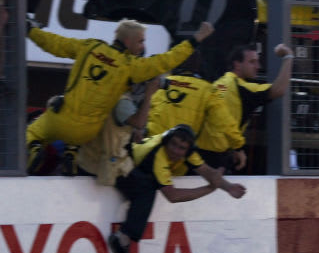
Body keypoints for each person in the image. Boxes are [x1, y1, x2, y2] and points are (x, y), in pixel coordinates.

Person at [26, 19, 214, 175]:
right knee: (79, 133)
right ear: (127, 41)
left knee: (33, 132)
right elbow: (167, 60)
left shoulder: (90, 47)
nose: (143, 46)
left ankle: (34, 149)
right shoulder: (131, 66)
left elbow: (54, 43)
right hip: (88, 133)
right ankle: (71, 152)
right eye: (140, 41)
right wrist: (196, 39)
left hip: (61, 120)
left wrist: (30, 31)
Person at [107, 124, 247, 253]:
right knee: (147, 190)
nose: (175, 151)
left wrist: (228, 187)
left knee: (148, 185)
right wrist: (209, 189)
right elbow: (172, 196)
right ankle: (122, 237)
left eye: (181, 148)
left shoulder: (188, 152)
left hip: (133, 164)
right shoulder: (158, 156)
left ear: (188, 150)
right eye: (173, 144)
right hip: (120, 165)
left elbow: (205, 170)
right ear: (167, 141)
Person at [195, 42, 295, 171]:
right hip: (216, 157)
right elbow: (279, 90)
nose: (258, 66)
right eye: (252, 62)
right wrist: (288, 57)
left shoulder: (220, 84)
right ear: (237, 64)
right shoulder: (241, 88)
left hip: (200, 152)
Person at [147, 52, 247, 168]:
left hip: (151, 150)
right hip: (178, 157)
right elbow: (224, 121)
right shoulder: (207, 90)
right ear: (199, 66)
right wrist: (239, 146)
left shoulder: (161, 83)